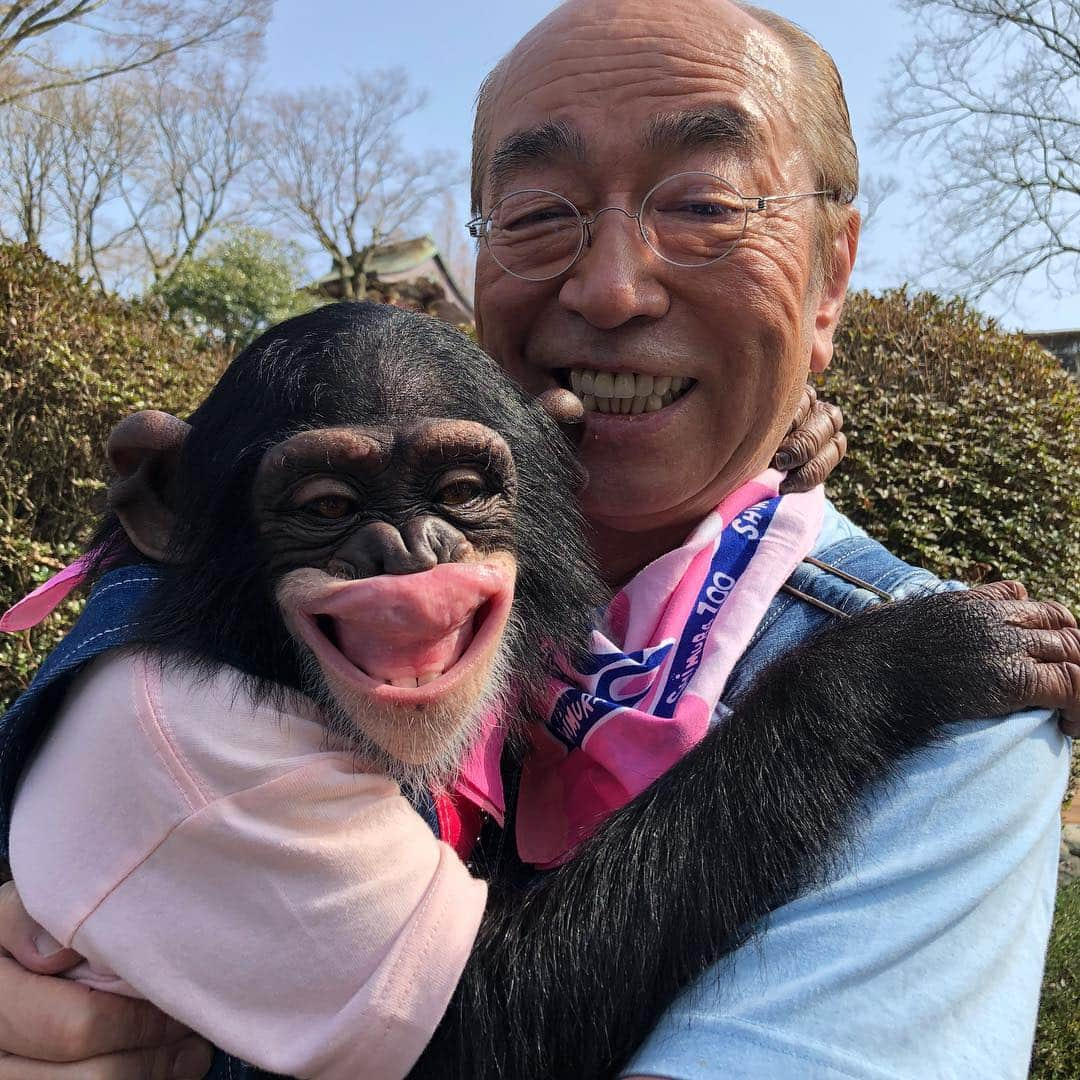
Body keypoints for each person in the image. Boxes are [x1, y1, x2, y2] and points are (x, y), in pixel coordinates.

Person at [0, 1, 1074, 1078]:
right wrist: (840, 703)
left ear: (830, 277)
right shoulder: (170, 696)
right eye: (535, 211)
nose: (611, 289)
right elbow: (487, 1032)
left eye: (706, 202)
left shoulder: (955, 737)